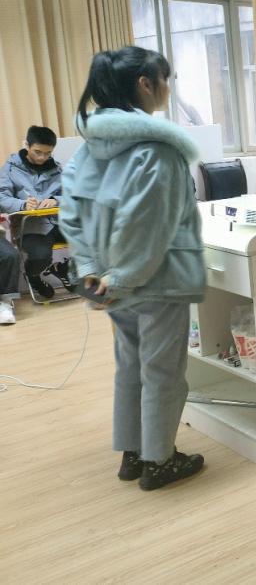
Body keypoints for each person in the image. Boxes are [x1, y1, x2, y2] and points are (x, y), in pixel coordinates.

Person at [60, 46, 206, 491]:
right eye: (166, 79)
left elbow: (73, 212)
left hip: (108, 282)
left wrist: (94, 271)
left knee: (130, 366)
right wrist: (123, 277)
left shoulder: (91, 148)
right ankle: (159, 461)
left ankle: (133, 452)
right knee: (162, 373)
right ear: (145, 83)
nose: (168, 88)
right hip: (156, 280)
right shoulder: (157, 152)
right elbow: (147, 227)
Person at [0, 125, 69, 299]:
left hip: (58, 222)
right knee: (40, 256)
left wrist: (56, 200)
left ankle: (63, 268)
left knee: (93, 240)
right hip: (31, 227)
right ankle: (33, 277)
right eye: (37, 152)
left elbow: (73, 195)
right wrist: (23, 204)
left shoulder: (57, 169)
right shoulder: (10, 169)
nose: (42, 157)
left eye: (47, 153)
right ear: (27, 145)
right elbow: (1, 198)